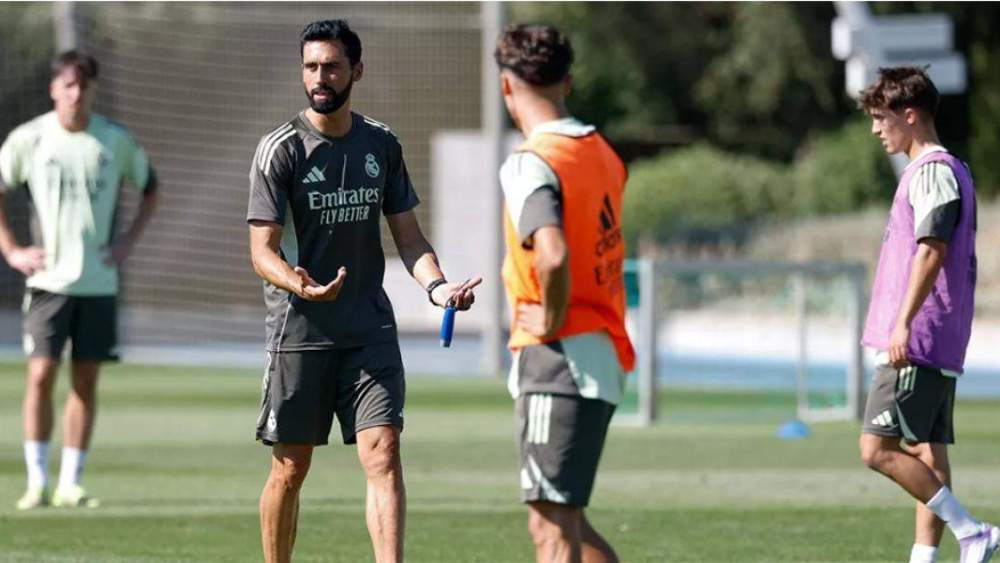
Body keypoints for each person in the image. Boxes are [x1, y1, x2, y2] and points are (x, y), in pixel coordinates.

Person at [247, 19, 480, 563]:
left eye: (330, 66)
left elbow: (410, 237)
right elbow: (262, 251)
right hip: (299, 332)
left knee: (384, 453)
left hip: (368, 330)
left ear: (357, 70)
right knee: (290, 467)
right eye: (310, 67)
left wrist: (439, 290)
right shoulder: (280, 150)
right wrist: (297, 281)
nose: (319, 77)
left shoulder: (381, 144)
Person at [494, 24, 635, 563]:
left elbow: (551, 254)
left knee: (550, 527)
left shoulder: (532, 161)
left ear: (508, 87)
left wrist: (548, 321)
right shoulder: (601, 150)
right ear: (568, 81)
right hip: (599, 350)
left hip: (560, 355)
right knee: (565, 519)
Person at [0, 50, 159, 510]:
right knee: (40, 375)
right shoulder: (29, 139)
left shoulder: (113, 141)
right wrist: (11, 250)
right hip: (48, 282)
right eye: (67, 85)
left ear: (92, 90)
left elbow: (151, 189)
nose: (75, 93)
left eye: (83, 85)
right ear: (54, 89)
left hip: (98, 283)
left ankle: (71, 481)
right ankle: (36, 481)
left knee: (85, 382)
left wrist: (126, 243)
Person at [857, 66, 998, 563]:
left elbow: (932, 248)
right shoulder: (945, 168)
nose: (876, 129)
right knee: (927, 453)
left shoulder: (933, 170)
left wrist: (902, 323)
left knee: (876, 449)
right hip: (937, 337)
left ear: (909, 115)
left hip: (918, 337)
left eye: (881, 117)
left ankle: (972, 530)